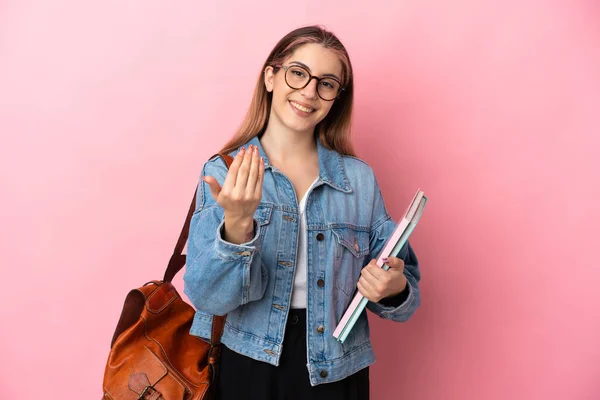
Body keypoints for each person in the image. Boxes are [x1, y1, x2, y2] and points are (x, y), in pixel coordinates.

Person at [183, 25, 421, 400]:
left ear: (336, 98)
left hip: (338, 369)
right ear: (271, 77)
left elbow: (404, 291)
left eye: (326, 83)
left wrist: (394, 287)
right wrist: (238, 223)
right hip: (248, 365)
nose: (309, 91)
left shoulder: (358, 180)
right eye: (298, 73)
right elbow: (209, 299)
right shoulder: (223, 172)